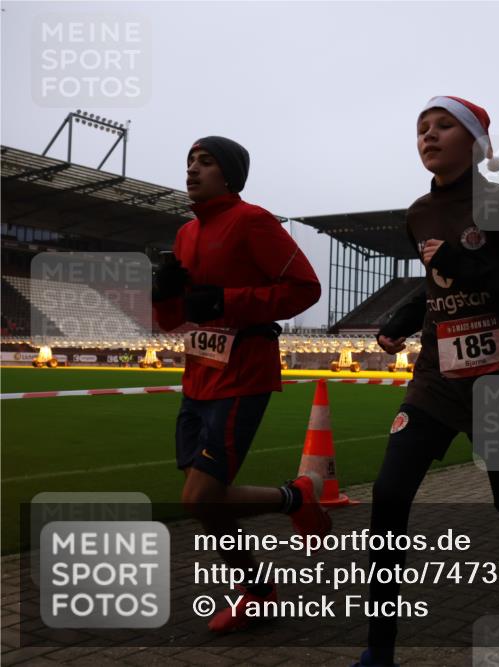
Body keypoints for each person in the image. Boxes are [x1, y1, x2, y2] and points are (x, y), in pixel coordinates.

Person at [358, 96, 499, 667]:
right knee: (389, 497)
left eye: (443, 126)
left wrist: (472, 266)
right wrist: (401, 320)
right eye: (421, 128)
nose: (429, 135)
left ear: (476, 143)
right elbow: (437, 283)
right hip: (436, 380)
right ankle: (378, 652)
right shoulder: (417, 213)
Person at [151, 136, 329, 633]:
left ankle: (288, 515)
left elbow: (305, 289)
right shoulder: (185, 234)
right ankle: (262, 582)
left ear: (229, 174)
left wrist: (225, 301)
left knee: (199, 499)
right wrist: (164, 298)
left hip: (243, 374)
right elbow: (173, 322)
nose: (192, 169)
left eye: (205, 162)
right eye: (189, 160)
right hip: (197, 377)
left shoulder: (253, 221)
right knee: (203, 499)